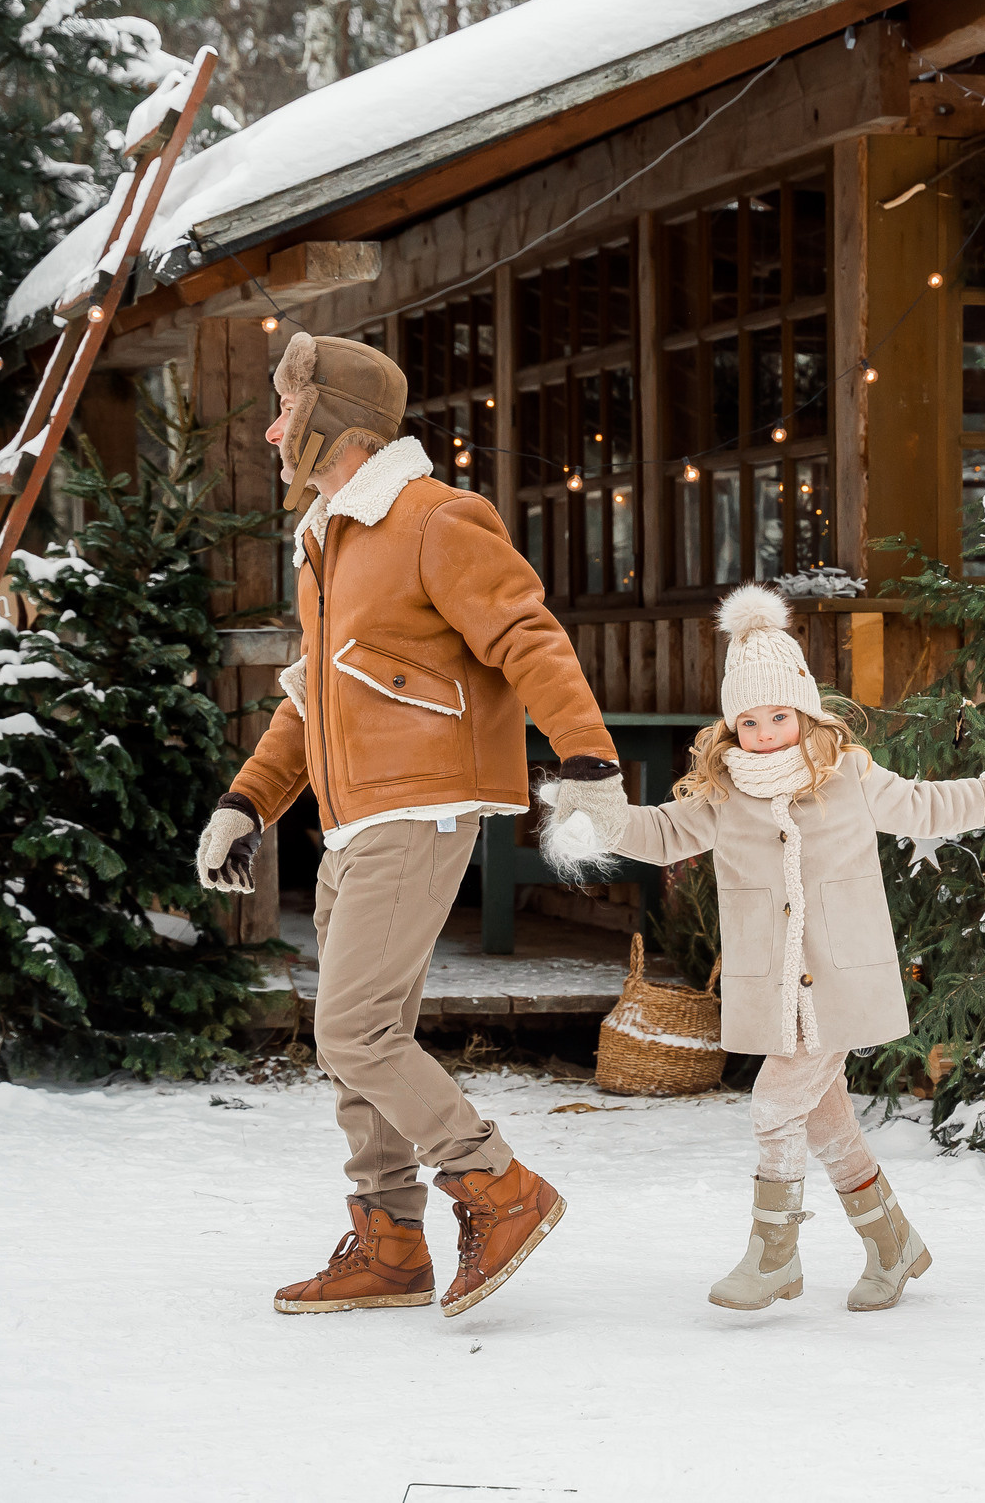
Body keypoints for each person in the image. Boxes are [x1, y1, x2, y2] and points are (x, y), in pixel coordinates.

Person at [193, 331, 630, 1320]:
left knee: (351, 1028)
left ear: (328, 423)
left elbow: (526, 633)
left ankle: (498, 1187)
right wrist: (245, 801)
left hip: (420, 805)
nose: (268, 430)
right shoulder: (326, 542)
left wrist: (588, 754)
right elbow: (308, 702)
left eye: (282, 411)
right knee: (360, 1036)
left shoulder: (433, 519)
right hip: (352, 821)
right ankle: (388, 1241)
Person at [548, 586, 985, 1313]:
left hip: (839, 980)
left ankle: (774, 1254)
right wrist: (604, 817)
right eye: (751, 721)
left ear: (805, 711)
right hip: (776, 986)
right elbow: (662, 833)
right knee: (823, 1119)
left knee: (773, 1103)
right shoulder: (725, 794)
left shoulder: (849, 777)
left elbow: (927, 806)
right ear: (732, 728)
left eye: (779, 716)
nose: (766, 732)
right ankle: (893, 1243)